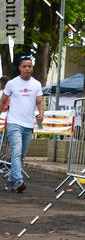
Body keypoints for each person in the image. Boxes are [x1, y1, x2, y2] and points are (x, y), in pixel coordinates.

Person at [0, 57, 44, 193]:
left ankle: (11, 181)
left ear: (32, 68)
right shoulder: (12, 84)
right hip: (14, 123)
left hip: (28, 125)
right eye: (24, 66)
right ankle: (19, 181)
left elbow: (40, 101)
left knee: (21, 156)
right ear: (19, 68)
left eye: (29, 66)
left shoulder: (36, 84)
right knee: (16, 152)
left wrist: (42, 114)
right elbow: (3, 101)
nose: (27, 69)